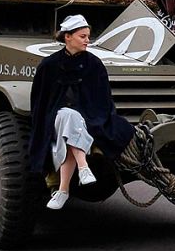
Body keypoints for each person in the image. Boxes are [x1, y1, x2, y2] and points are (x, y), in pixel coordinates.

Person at [28, 14, 137, 211]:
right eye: (82, 36)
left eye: (88, 36)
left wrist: (92, 116)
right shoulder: (49, 65)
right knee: (67, 116)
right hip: (56, 117)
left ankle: (62, 190)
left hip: (86, 117)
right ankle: (82, 167)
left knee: (72, 122)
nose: (88, 40)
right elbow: (41, 101)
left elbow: (102, 99)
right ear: (67, 37)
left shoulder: (94, 64)